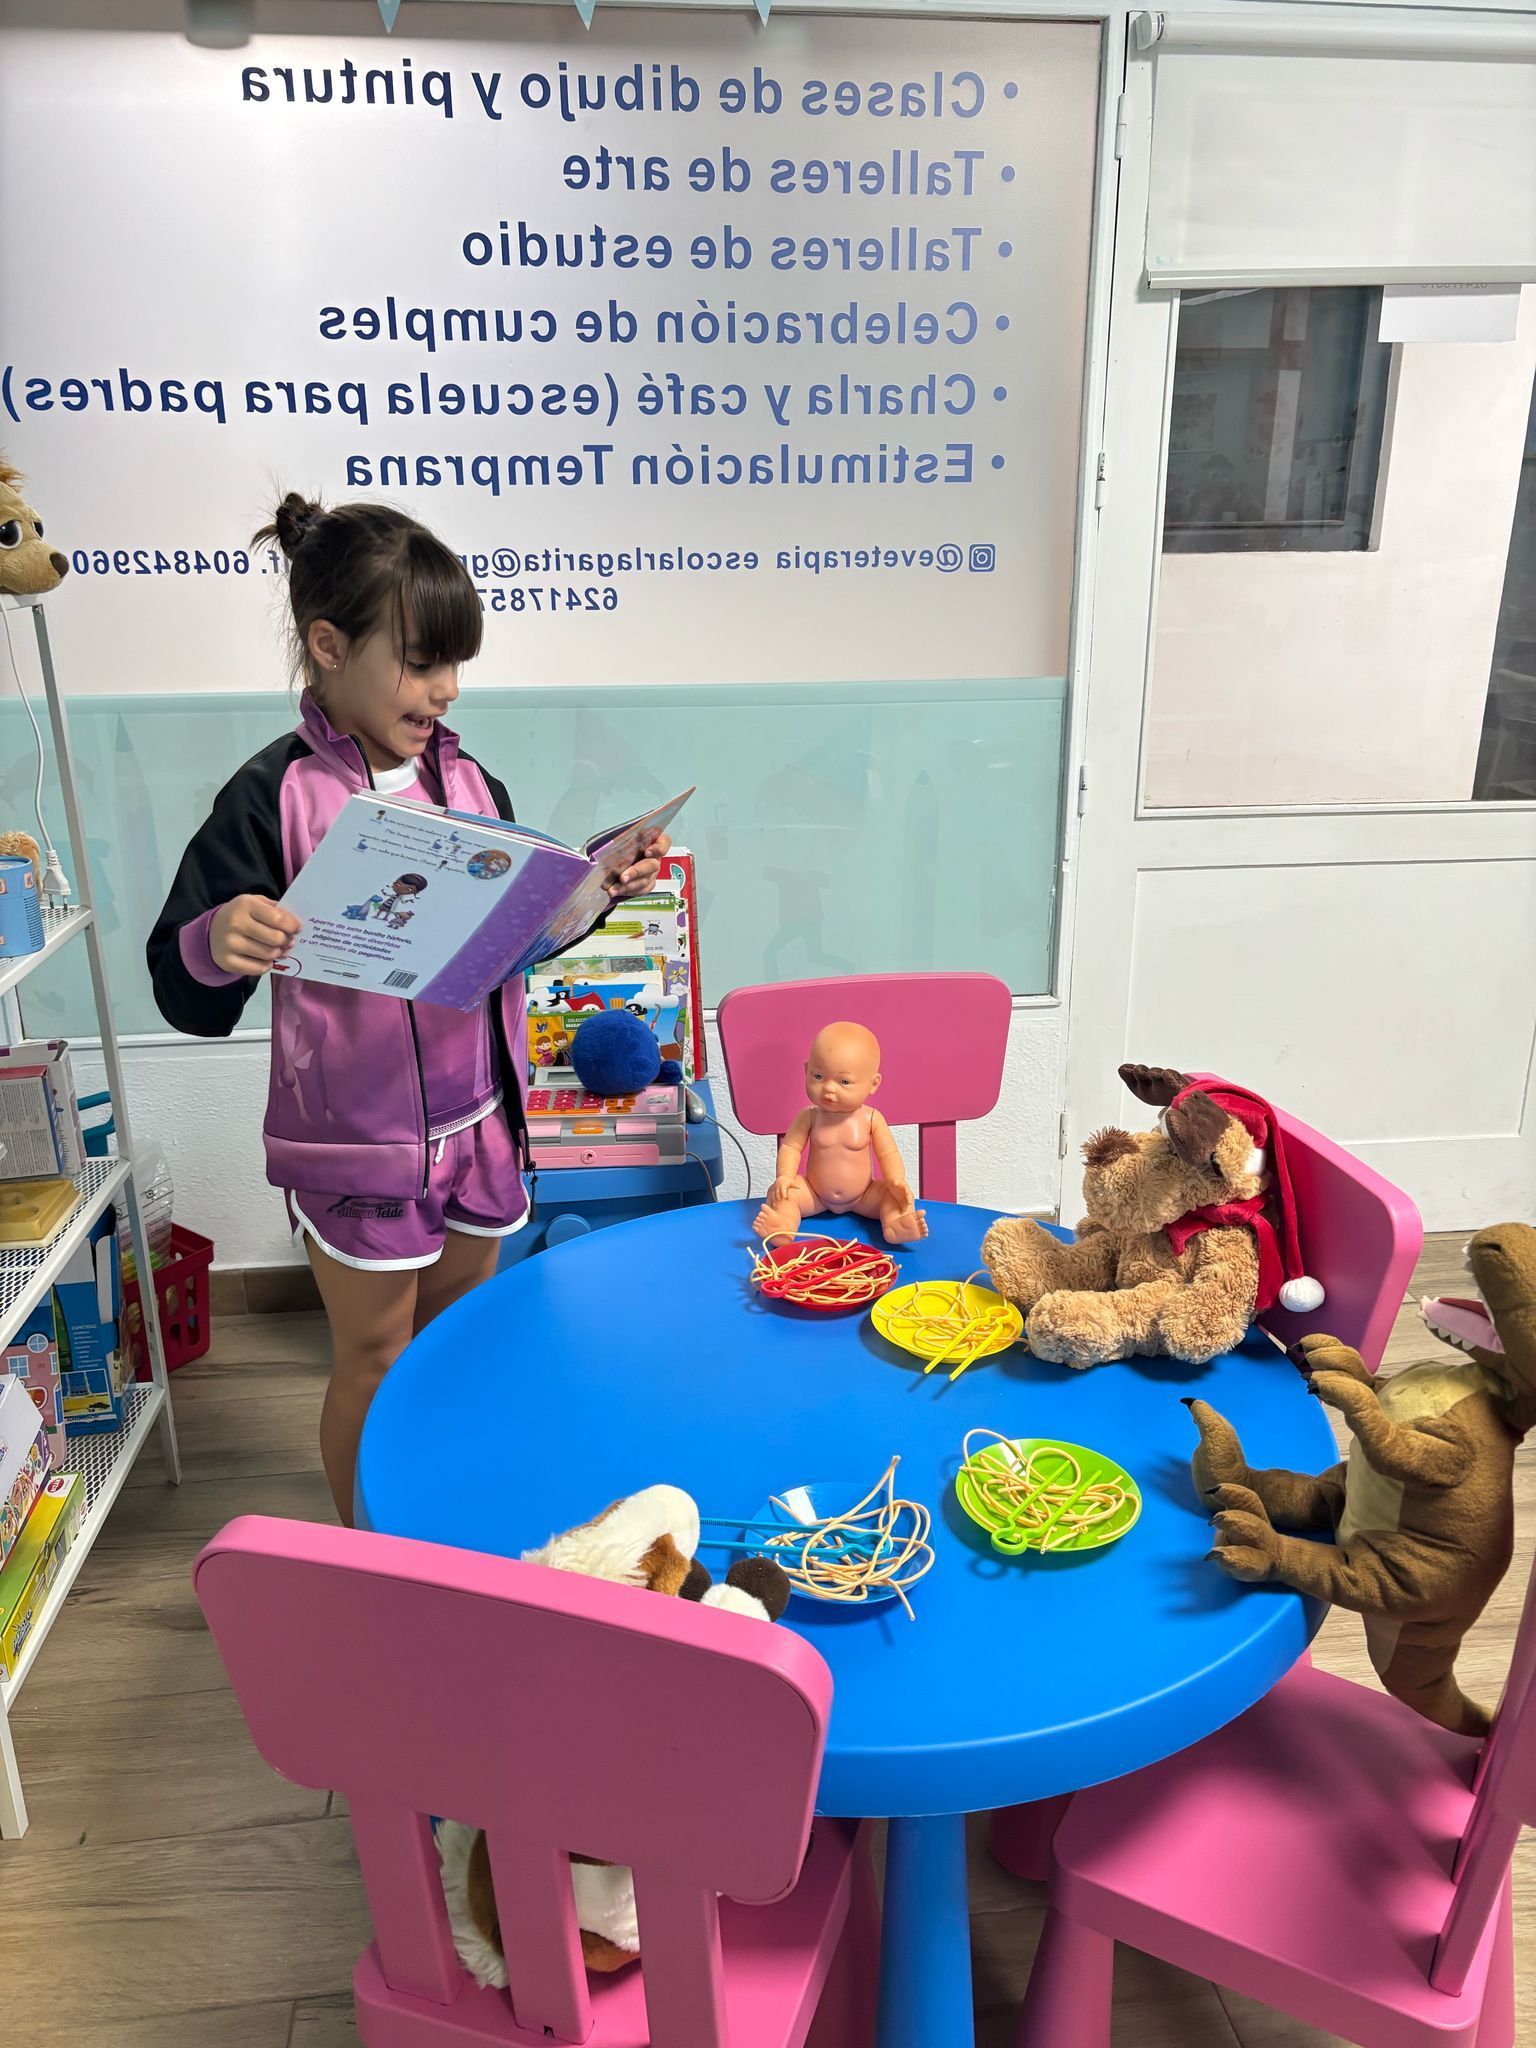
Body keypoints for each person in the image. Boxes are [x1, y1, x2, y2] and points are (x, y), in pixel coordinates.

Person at [147, 494, 668, 1520]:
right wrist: (218, 938)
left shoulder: (471, 782)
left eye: (455, 664)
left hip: (482, 1127)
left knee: (453, 1344)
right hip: (358, 1146)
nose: (446, 688)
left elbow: (508, 945)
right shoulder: (272, 796)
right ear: (328, 646)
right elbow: (179, 979)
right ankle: (371, 1559)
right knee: (379, 1354)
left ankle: (436, 1524)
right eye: (422, 662)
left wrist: (593, 891)